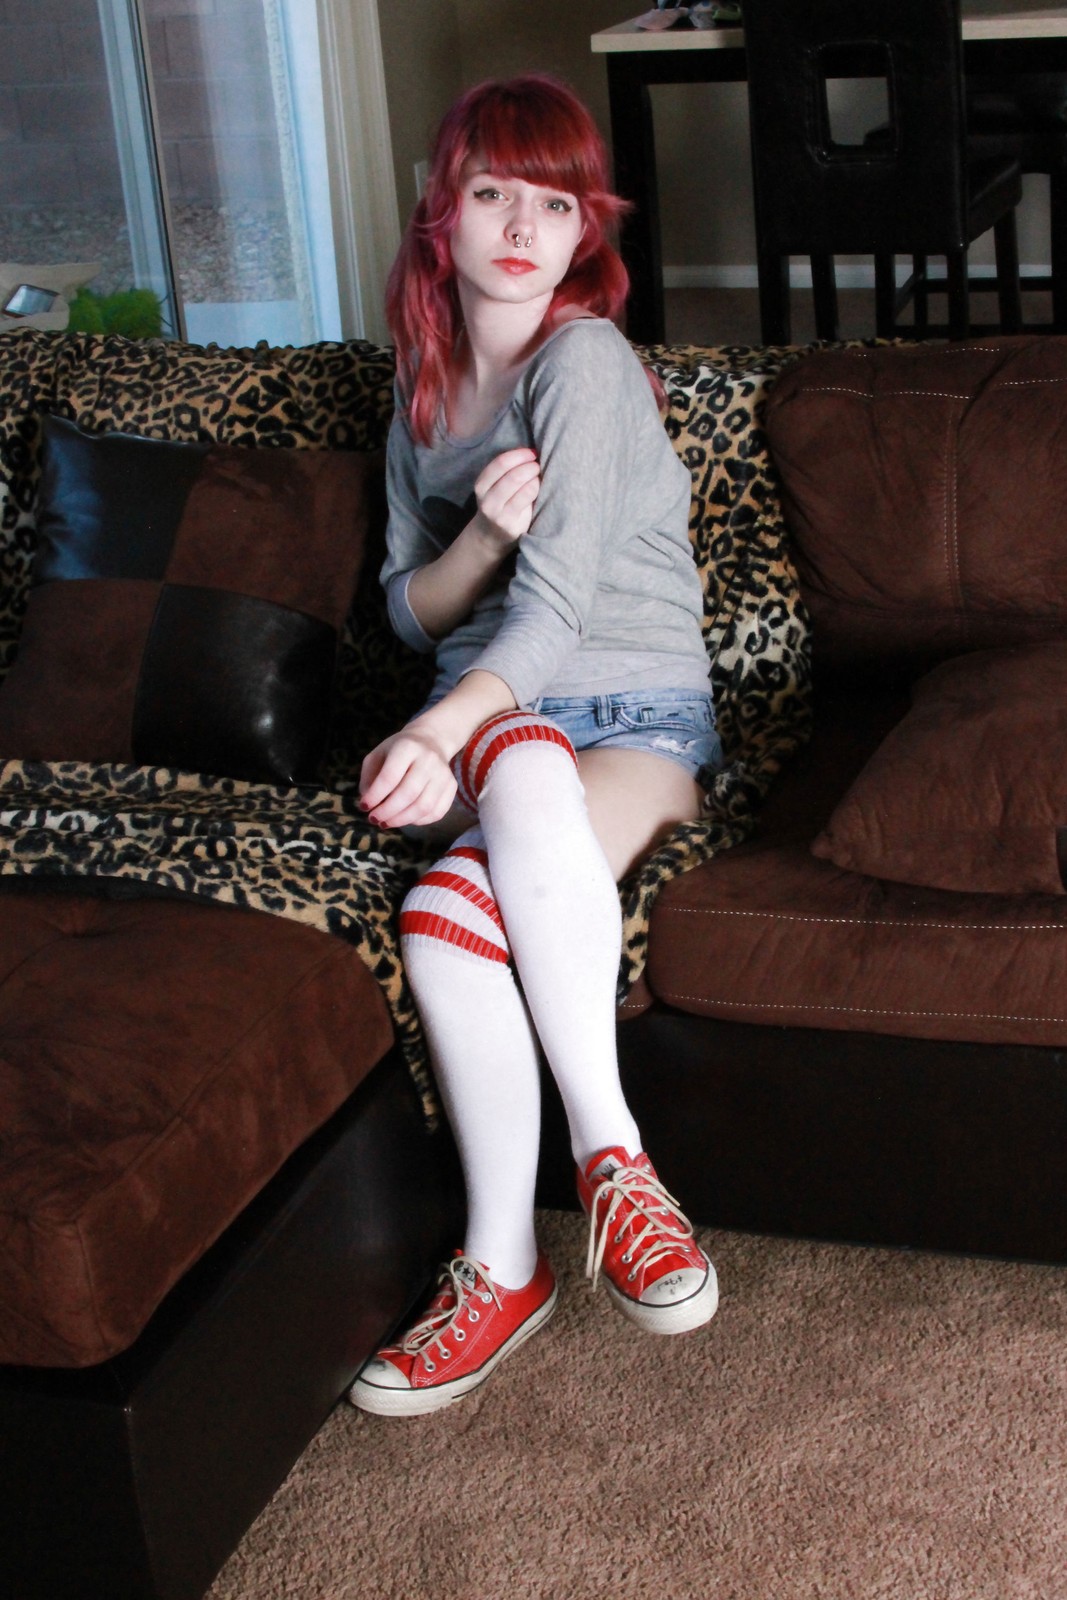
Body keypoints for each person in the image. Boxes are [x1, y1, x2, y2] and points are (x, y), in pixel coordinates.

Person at [349, 74, 721, 1419]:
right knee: (446, 914)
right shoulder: (424, 388)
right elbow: (409, 608)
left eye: (555, 203)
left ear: (585, 232)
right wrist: (481, 538)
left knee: (493, 805)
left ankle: (610, 1160)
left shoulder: (587, 363)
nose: (521, 228)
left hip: (628, 719)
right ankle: (506, 1263)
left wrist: (438, 727)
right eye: (492, 192)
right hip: (496, 725)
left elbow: (558, 610)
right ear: (440, 212)